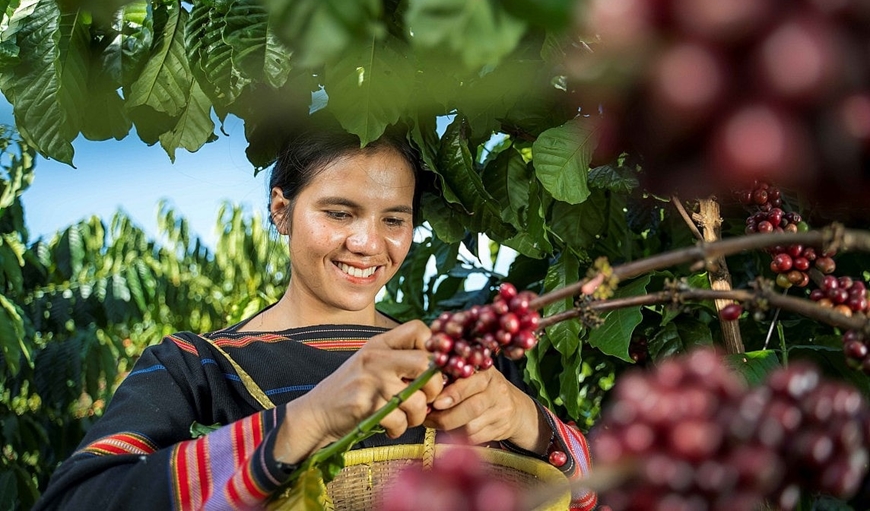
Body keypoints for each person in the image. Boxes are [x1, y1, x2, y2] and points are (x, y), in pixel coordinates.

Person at [33, 123, 597, 511]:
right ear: (282, 210)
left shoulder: (466, 360)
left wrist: (533, 423)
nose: (367, 242)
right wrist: (304, 419)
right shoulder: (196, 368)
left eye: (394, 220)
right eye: (339, 212)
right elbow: (77, 501)